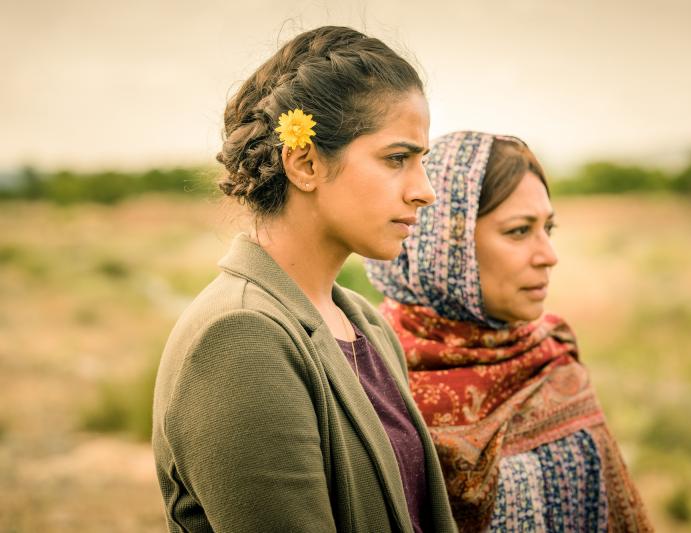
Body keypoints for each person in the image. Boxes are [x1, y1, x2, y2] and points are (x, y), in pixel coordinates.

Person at [152, 26, 458, 532]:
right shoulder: (241, 335)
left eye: (420, 161)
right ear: (305, 162)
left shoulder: (364, 323)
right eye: (397, 158)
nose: (424, 190)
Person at [365, 131, 652, 532]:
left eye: (547, 229)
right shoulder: (368, 373)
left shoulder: (551, 357)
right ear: (446, 244)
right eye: (519, 231)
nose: (548, 256)